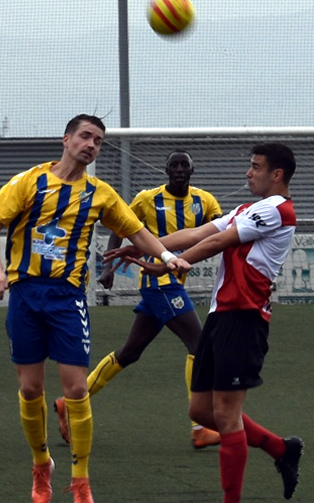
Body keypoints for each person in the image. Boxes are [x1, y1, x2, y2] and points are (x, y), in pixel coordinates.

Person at [0, 114, 190, 503]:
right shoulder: (28, 182)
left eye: (98, 140)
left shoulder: (101, 194)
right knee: (29, 389)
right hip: (25, 293)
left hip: (68, 297)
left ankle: (80, 479)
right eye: (85, 136)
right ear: (66, 139)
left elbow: (135, 230)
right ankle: (41, 464)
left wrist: (166, 255)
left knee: (76, 390)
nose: (92, 144)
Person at [104, 143, 303, 503]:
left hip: (245, 320)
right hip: (221, 317)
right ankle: (282, 449)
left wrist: (172, 265)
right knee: (201, 412)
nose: (249, 173)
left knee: (226, 418)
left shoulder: (277, 209)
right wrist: (149, 247)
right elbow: (198, 233)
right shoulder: (250, 207)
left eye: (256, 167)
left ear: (277, 175)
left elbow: (216, 244)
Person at [53, 150, 223, 450]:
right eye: (174, 165)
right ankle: (201, 427)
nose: (180, 170)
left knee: (129, 353)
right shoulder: (147, 199)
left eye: (185, 165)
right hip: (159, 283)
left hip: (169, 285)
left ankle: (70, 402)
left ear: (192, 170)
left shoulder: (205, 201)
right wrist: (107, 267)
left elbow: (222, 232)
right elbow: (120, 226)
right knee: (200, 345)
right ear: (166, 170)